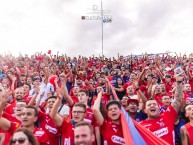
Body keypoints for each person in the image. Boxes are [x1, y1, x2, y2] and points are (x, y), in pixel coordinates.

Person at [140, 74, 184, 145]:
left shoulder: (167, 116)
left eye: (154, 104)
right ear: (145, 110)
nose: (152, 105)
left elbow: (177, 100)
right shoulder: (140, 126)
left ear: (159, 108)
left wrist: (178, 82)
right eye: (149, 105)